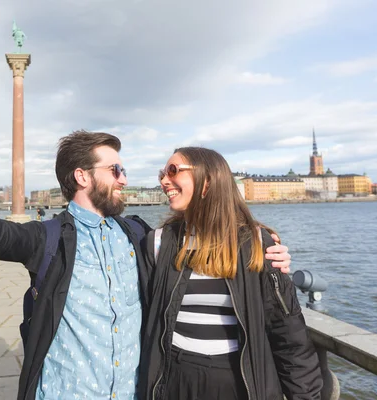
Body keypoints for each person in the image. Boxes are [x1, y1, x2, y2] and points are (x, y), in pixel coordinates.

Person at [0, 126, 292, 400]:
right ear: (83, 177)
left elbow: (201, 260)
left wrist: (266, 252)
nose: (125, 178)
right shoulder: (47, 239)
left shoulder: (140, 235)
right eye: (115, 170)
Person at [138, 147, 322, 400]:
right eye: (162, 173)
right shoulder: (158, 243)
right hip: (174, 380)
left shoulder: (256, 242)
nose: (163, 180)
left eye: (173, 171)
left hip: (239, 381)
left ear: (208, 181)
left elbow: (288, 332)